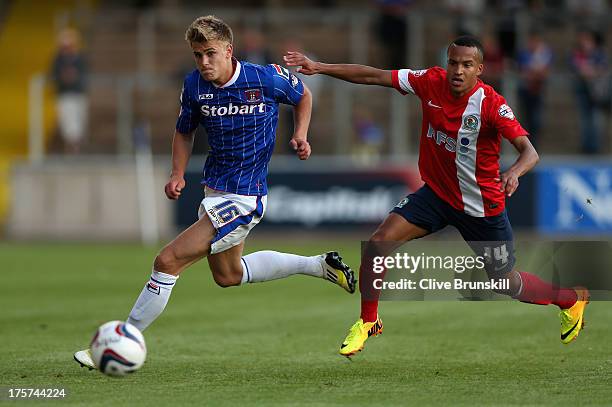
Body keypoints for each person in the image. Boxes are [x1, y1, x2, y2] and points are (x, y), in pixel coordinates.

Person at [74, 15, 356, 369]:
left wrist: (301, 134)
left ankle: (124, 339)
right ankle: (318, 265)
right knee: (228, 276)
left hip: (244, 198)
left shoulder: (263, 77)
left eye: (210, 53)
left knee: (167, 261)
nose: (204, 62)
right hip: (215, 191)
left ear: (228, 51)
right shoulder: (194, 85)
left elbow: (303, 95)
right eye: (197, 55)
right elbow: (184, 130)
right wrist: (177, 173)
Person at [284, 35, 590, 358]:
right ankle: (368, 320)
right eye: (454, 62)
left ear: (480, 70)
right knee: (378, 243)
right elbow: (374, 75)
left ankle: (571, 298)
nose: (458, 70)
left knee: (505, 283)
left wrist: (514, 172)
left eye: (467, 65)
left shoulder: (491, 104)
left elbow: (530, 152)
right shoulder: (430, 81)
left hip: (480, 208)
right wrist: (319, 67)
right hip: (437, 196)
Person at [51, 28, 88, 154]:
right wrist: (63, 77)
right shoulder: (57, 60)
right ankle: (71, 145)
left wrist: (74, 78)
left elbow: (85, 74)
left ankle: (76, 144)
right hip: (64, 95)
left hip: (78, 94)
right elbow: (54, 75)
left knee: (79, 119)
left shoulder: (80, 59)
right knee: (67, 120)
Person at [516, 29, 553, 148]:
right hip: (526, 91)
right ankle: (526, 147)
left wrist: (533, 73)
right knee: (526, 120)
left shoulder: (545, 54)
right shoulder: (524, 53)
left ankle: (534, 147)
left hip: (538, 91)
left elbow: (544, 71)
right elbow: (523, 71)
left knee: (536, 121)